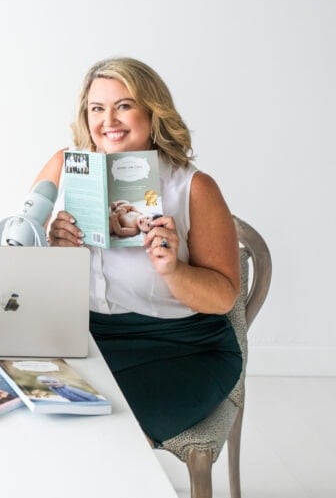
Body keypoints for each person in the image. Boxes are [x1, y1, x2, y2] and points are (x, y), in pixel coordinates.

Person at [33, 57, 242, 446]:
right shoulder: (64, 167)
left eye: (124, 105)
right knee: (34, 414)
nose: (108, 120)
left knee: (104, 433)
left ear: (152, 112)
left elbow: (223, 296)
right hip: (82, 338)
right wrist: (50, 243)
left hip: (179, 349)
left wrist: (172, 270)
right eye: (97, 108)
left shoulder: (194, 187)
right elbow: (19, 262)